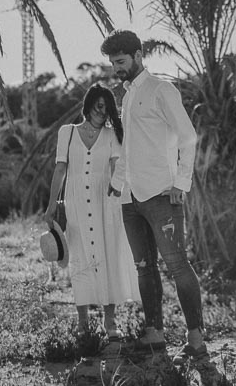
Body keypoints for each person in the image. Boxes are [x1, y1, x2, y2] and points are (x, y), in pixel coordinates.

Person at [101, 29, 206, 361]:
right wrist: (117, 184)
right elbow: (130, 148)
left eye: (120, 62)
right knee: (144, 267)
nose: (116, 69)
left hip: (162, 194)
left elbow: (188, 137)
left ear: (138, 54)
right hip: (130, 199)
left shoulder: (162, 90)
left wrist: (181, 184)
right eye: (112, 64)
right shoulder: (128, 96)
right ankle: (154, 335)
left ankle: (196, 340)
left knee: (177, 265)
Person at [45, 84, 139, 338]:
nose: (101, 111)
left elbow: (118, 166)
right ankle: (83, 322)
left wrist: (117, 188)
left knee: (108, 256)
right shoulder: (68, 132)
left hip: (105, 202)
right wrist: (52, 204)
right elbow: (60, 169)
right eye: (98, 106)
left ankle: (110, 322)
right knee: (80, 258)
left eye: (106, 108)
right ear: (88, 106)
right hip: (75, 202)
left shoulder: (110, 135)